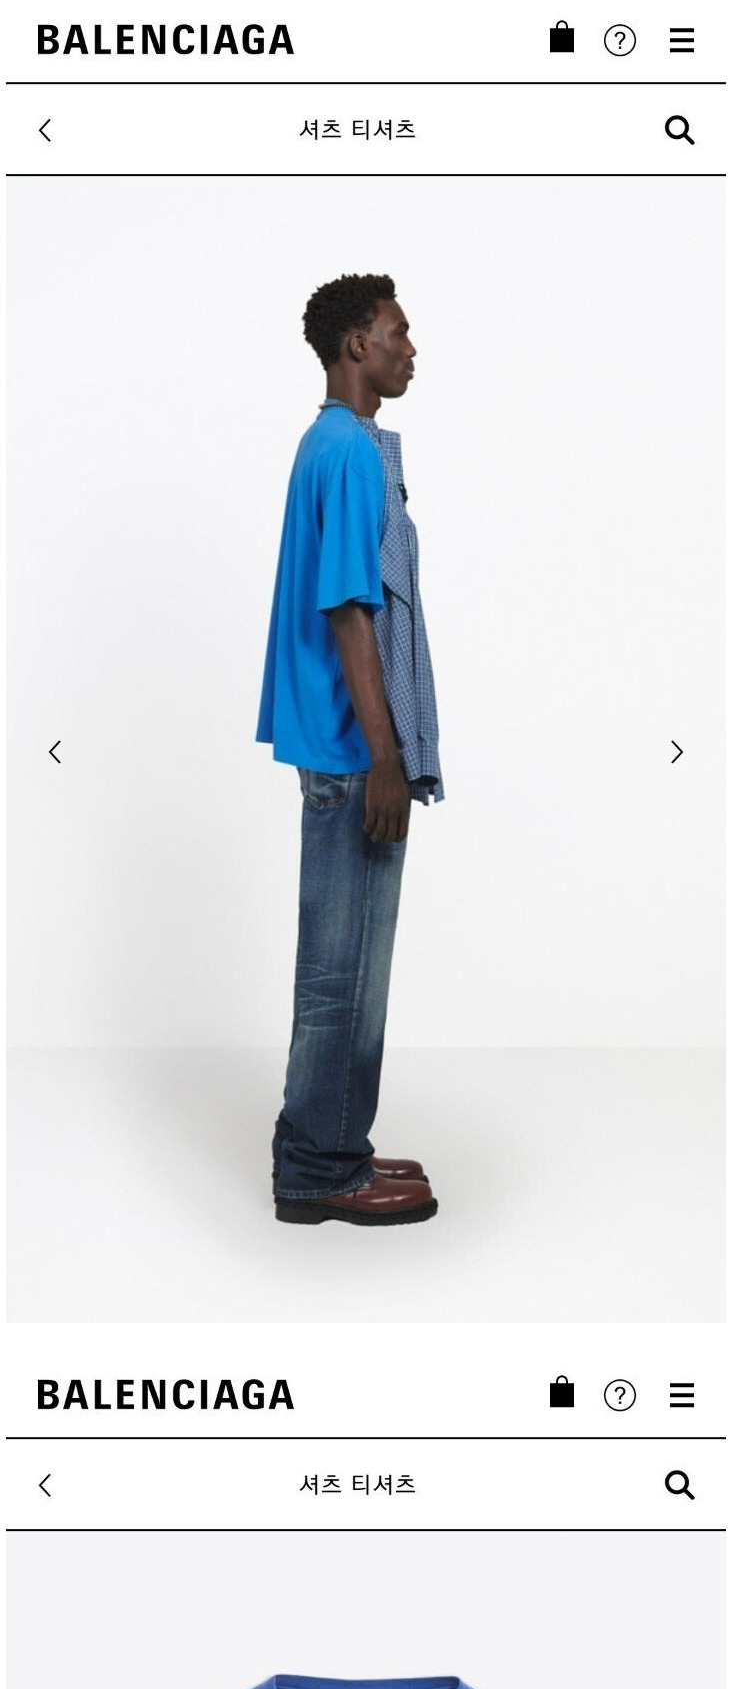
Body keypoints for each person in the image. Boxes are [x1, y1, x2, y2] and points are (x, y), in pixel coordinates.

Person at [257, 273, 443, 1223]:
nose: (411, 349)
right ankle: (320, 1167)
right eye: (397, 333)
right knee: (343, 977)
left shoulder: (339, 443)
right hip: (347, 748)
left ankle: (333, 1143)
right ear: (354, 345)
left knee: (351, 970)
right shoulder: (345, 452)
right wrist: (385, 756)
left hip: (341, 743)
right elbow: (347, 609)